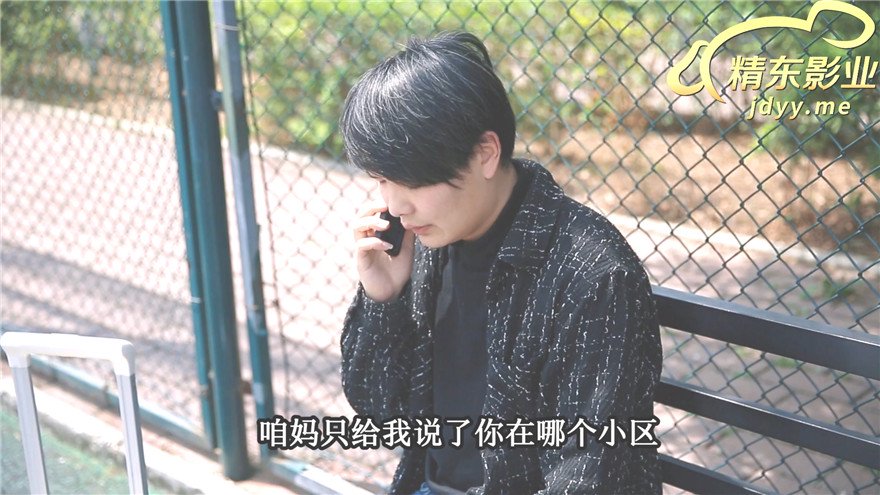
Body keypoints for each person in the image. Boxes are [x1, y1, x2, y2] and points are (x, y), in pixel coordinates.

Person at [339, 31, 662, 495]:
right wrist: (383, 299)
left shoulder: (592, 274)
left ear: (486, 153)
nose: (395, 205)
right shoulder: (427, 240)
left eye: (411, 180)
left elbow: (589, 474)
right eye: (382, 179)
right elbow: (380, 411)